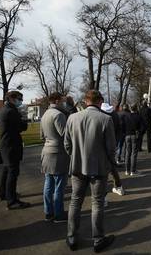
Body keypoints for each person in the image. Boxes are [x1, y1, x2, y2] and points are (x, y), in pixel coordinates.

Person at [64, 90, 115, 252]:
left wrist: (76, 157)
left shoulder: (72, 118)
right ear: (100, 101)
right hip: (99, 168)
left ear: (86, 101)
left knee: (75, 201)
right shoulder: (106, 119)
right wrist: (110, 165)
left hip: (78, 167)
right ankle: (98, 239)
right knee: (97, 202)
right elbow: (111, 148)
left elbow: (67, 144)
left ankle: (72, 237)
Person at [0, 90, 30, 210]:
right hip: (11, 145)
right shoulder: (11, 111)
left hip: (5, 144)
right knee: (13, 172)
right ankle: (12, 201)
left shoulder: (4, 109)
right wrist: (24, 118)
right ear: (12, 98)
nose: (20, 101)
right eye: (19, 99)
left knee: (6, 170)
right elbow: (22, 127)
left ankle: (4, 194)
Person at [40, 92, 69, 222]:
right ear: (57, 101)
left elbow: (41, 136)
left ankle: (48, 212)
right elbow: (64, 134)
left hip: (46, 151)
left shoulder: (45, 114)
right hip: (58, 153)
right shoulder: (58, 114)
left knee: (48, 184)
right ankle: (58, 214)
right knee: (59, 185)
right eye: (62, 101)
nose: (63, 103)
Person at [100, 102, 125, 198]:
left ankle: (104, 195)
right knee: (111, 168)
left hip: (104, 146)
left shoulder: (102, 116)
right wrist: (116, 143)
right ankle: (118, 187)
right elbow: (119, 130)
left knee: (104, 171)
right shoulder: (114, 115)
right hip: (111, 144)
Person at [123, 104, 143, 176]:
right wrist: (139, 133)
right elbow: (142, 127)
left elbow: (123, 126)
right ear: (136, 108)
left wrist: (124, 133)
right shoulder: (138, 116)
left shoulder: (126, 116)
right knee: (134, 154)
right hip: (135, 135)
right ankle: (133, 171)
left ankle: (127, 170)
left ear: (130, 109)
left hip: (127, 135)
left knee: (128, 153)